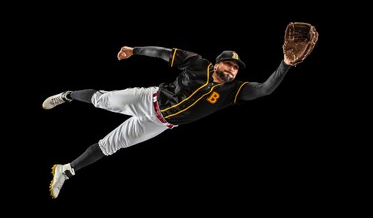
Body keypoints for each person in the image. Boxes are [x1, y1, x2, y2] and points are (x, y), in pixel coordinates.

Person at [43, 44, 296, 199]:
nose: (232, 70)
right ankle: (66, 96)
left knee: (109, 146)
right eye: (229, 64)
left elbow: (265, 89)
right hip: (147, 99)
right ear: (218, 62)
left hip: (159, 124)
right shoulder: (199, 64)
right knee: (101, 100)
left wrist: (285, 65)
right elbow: (165, 53)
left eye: (236, 68)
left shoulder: (234, 90)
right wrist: (135, 50)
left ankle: (65, 170)